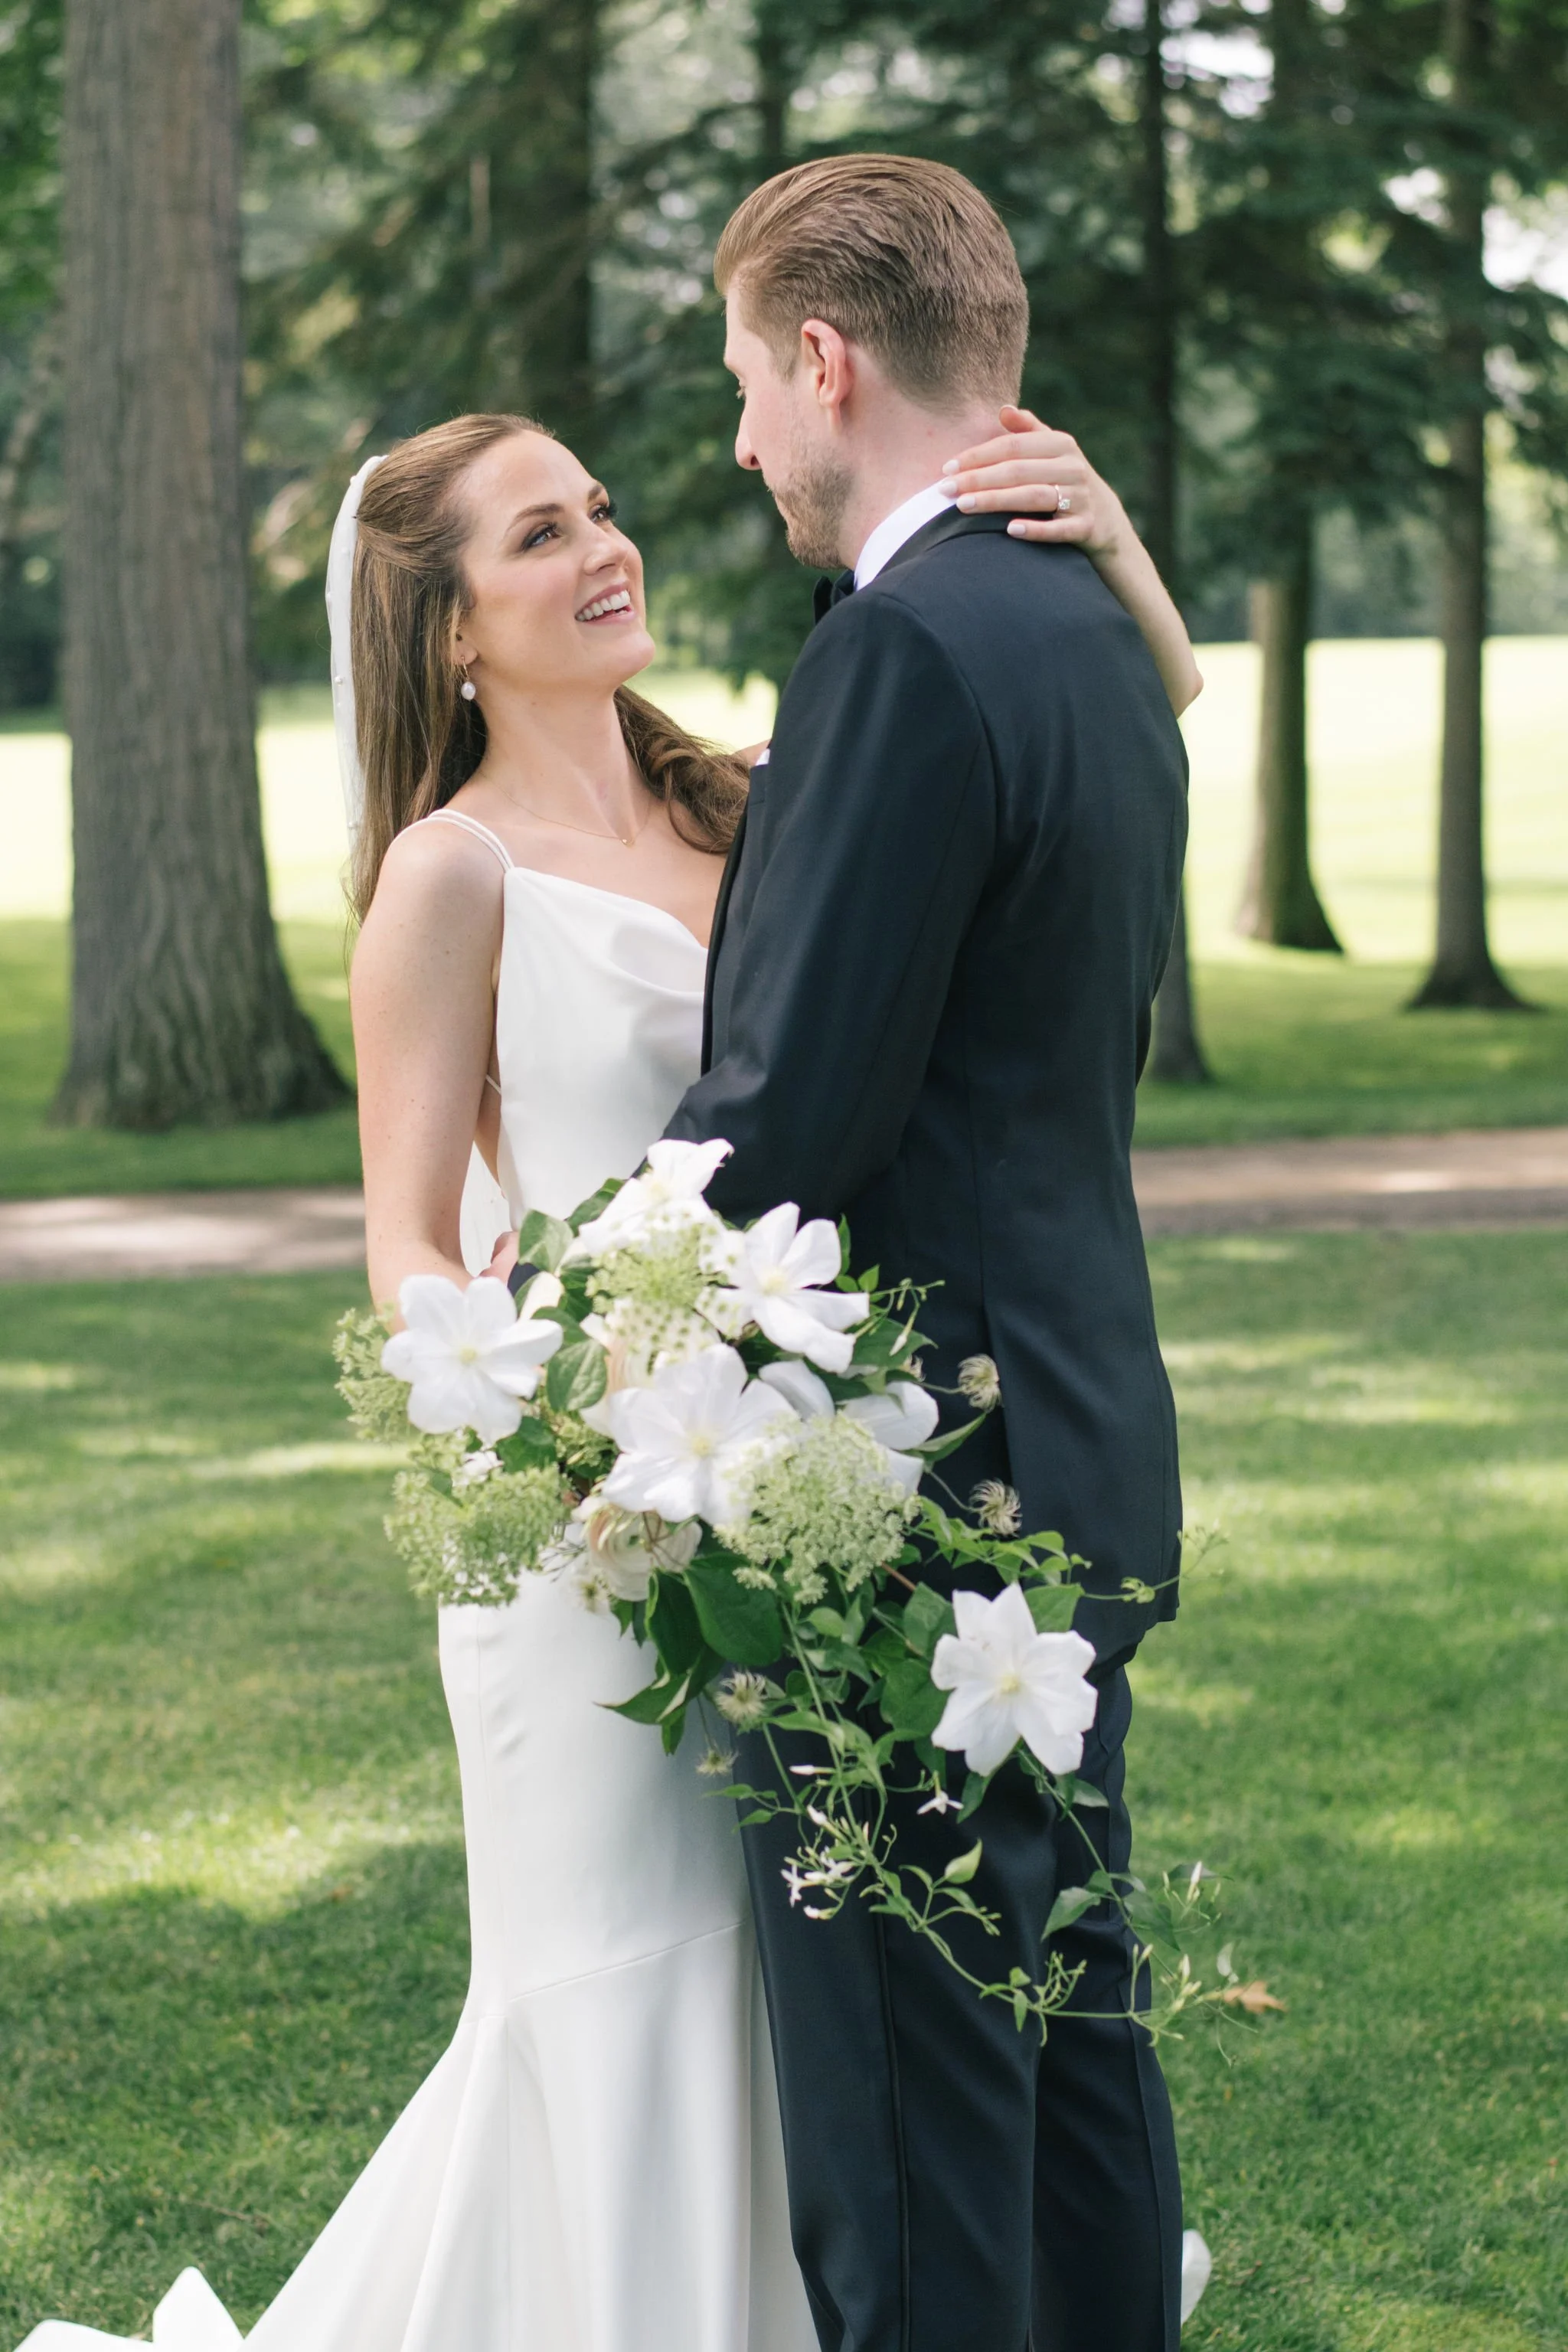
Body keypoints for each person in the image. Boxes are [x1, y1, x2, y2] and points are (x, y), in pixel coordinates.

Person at [16, 384, 1197, 2346]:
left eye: (599, 506)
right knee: (633, 1978)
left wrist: (1119, 557)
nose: (605, 545)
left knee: (808, 1978)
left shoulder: (747, 791)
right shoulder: (447, 876)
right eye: (539, 535)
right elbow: (405, 1244)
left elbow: (1108, 728)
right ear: (448, 629)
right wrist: (560, 1424)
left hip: (815, 1485)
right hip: (605, 1534)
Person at [663, 155, 1194, 2352]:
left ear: (825, 358)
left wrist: (573, 1331)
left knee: (907, 2088)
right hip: (1075, 1427)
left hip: (902, 1481)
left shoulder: (899, 645)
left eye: (742, 389)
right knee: (1066, 2013)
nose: (737, 447)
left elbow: (790, 1118)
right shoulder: (1088, 627)